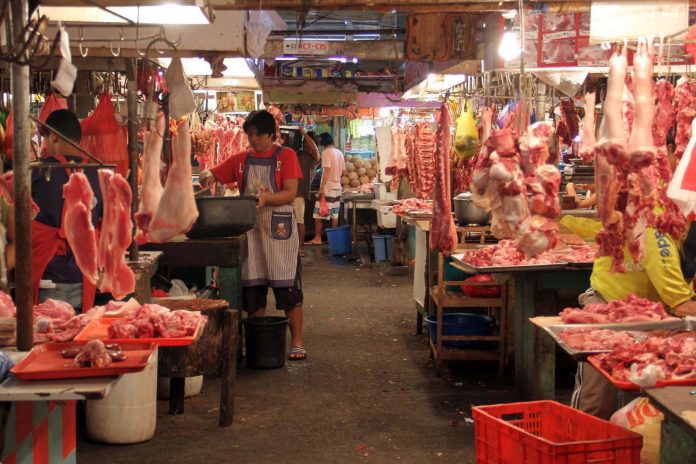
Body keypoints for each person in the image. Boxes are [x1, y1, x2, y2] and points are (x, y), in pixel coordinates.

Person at [198, 110, 307, 360]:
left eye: (258, 135)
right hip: (253, 235)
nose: (253, 140)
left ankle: (297, 342)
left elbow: (290, 192)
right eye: (250, 135)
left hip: (279, 233)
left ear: (271, 134)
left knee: (288, 290)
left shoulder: (286, 156)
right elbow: (214, 173)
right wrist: (206, 176)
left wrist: (266, 198)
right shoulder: (240, 160)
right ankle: (253, 341)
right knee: (253, 291)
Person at [571, 223, 696, 419]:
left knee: (638, 399)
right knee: (596, 401)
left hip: (653, 313)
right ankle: (579, 444)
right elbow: (680, 302)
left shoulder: (684, 225)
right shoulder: (656, 231)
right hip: (609, 308)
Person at [31, 109, 103, 311]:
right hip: (85, 277)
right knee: (78, 338)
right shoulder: (99, 173)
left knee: (48, 337)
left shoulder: (37, 171)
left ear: (53, 137)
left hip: (48, 278)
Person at [306, 132, 345, 245]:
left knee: (319, 214)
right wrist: (336, 178)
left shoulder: (326, 152)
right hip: (337, 188)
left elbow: (327, 171)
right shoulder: (339, 152)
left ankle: (318, 238)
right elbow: (343, 171)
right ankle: (333, 239)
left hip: (328, 188)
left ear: (322, 142)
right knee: (334, 214)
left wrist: (322, 188)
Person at [295, 127, 320, 257]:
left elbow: (315, 149)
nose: (305, 144)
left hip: (299, 194)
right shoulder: (299, 153)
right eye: (304, 141)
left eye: (307, 142)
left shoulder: (313, 158)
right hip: (289, 192)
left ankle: (300, 249)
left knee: (300, 221)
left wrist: (304, 133)